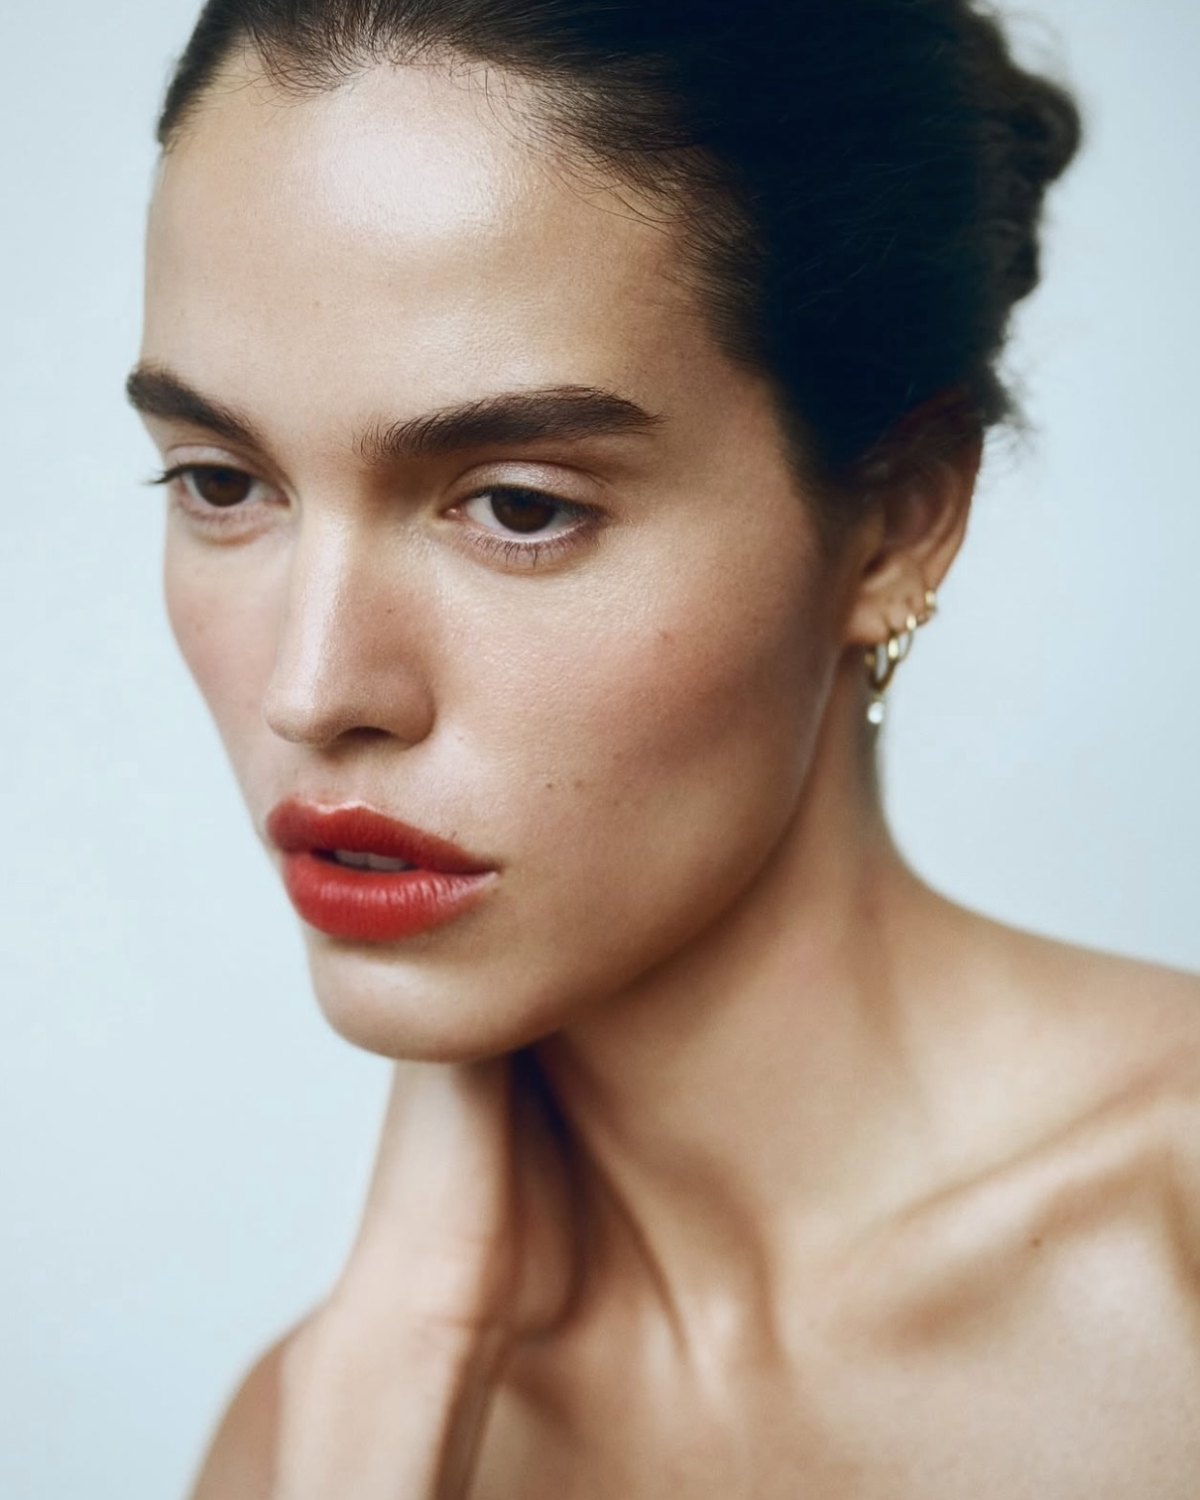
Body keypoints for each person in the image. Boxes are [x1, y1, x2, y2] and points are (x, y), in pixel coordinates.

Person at [127, 0, 1200, 1494]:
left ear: (899, 519)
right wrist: (390, 1386)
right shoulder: (321, 1432)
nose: (312, 693)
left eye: (518, 506)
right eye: (221, 481)